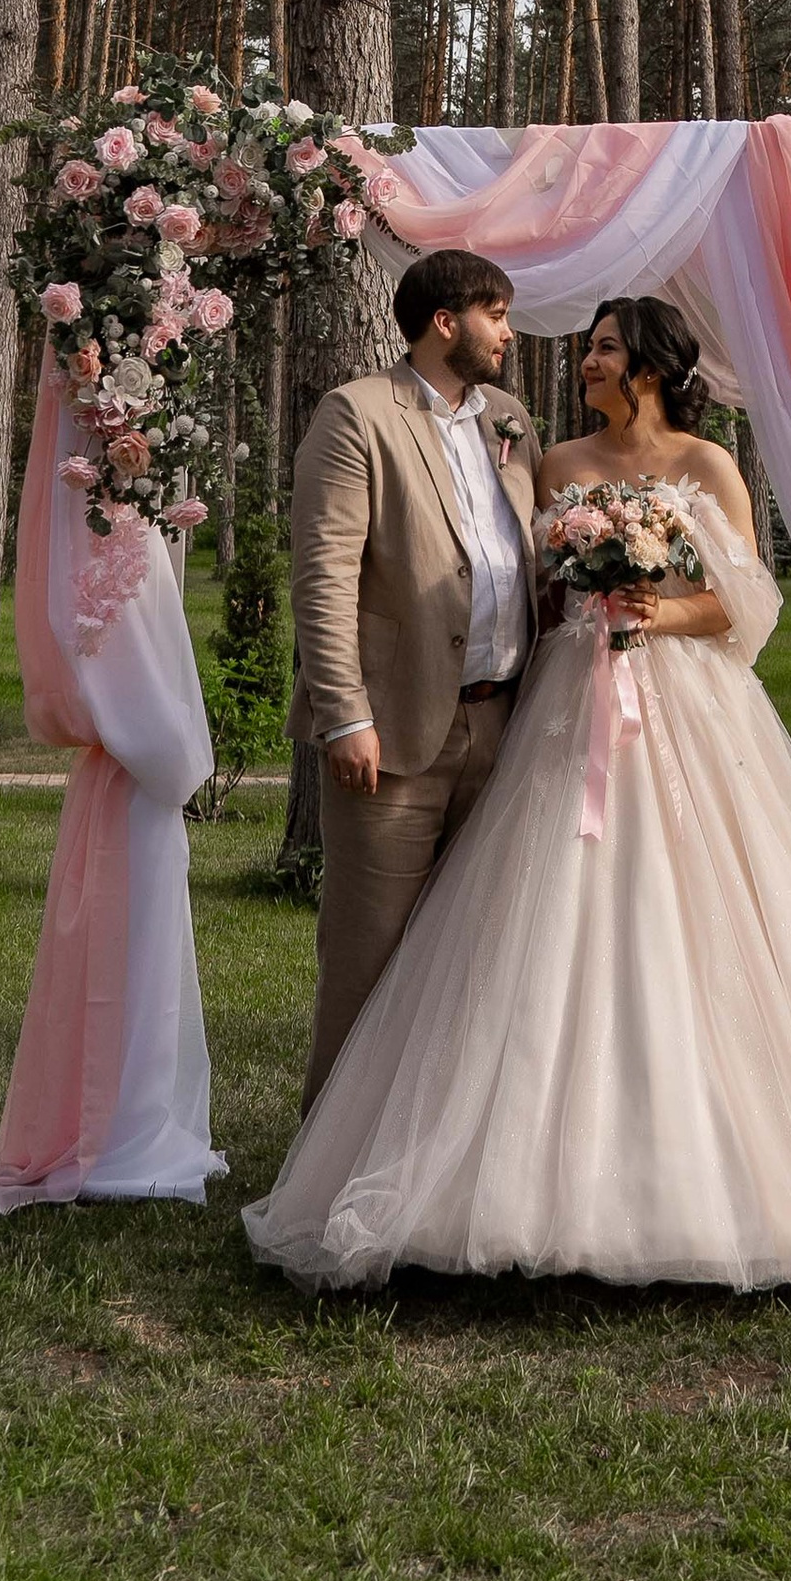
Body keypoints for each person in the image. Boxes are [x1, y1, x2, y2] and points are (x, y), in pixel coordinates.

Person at [242, 295, 791, 1297]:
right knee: (543, 920)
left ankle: (711, 1165)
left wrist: (655, 606)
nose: (586, 364)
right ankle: (509, 1163)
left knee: (703, 921)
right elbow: (529, 589)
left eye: (604, 350)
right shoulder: (555, 464)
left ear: (647, 367)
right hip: (569, 707)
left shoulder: (706, 465)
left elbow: (747, 606)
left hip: (688, 711)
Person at [282, 244, 538, 1110]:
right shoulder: (355, 414)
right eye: (495, 315)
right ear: (444, 321)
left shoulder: (509, 419)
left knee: (475, 960)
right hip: (392, 733)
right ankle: (325, 1177)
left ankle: (432, 1169)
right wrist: (346, 717)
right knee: (370, 959)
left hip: (502, 726)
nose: (507, 332)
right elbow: (323, 575)